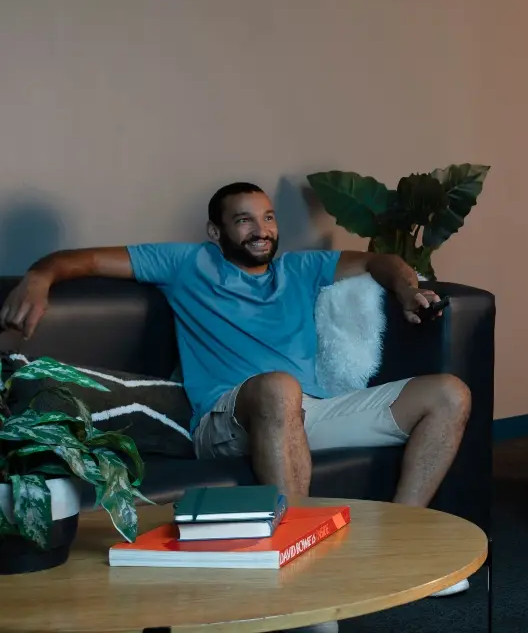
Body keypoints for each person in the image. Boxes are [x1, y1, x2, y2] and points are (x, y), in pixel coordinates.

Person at [0, 182, 473, 598]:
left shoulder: (302, 269)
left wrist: (410, 291)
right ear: (216, 232)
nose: (260, 229)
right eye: (244, 220)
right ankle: (300, 568)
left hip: (306, 412)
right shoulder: (186, 264)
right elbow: (81, 260)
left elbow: (380, 260)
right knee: (277, 387)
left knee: (449, 393)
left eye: (267, 218)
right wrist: (41, 276)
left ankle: (400, 547)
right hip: (225, 419)